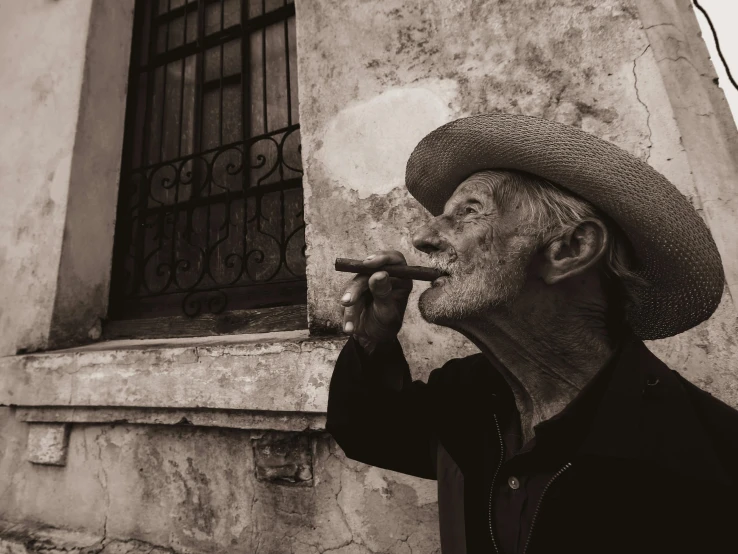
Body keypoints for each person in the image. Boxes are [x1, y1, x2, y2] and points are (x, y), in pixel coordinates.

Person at [326, 114, 738, 554]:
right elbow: (367, 430)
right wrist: (373, 339)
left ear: (570, 249)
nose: (423, 237)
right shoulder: (468, 396)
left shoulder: (711, 464)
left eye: (468, 211)